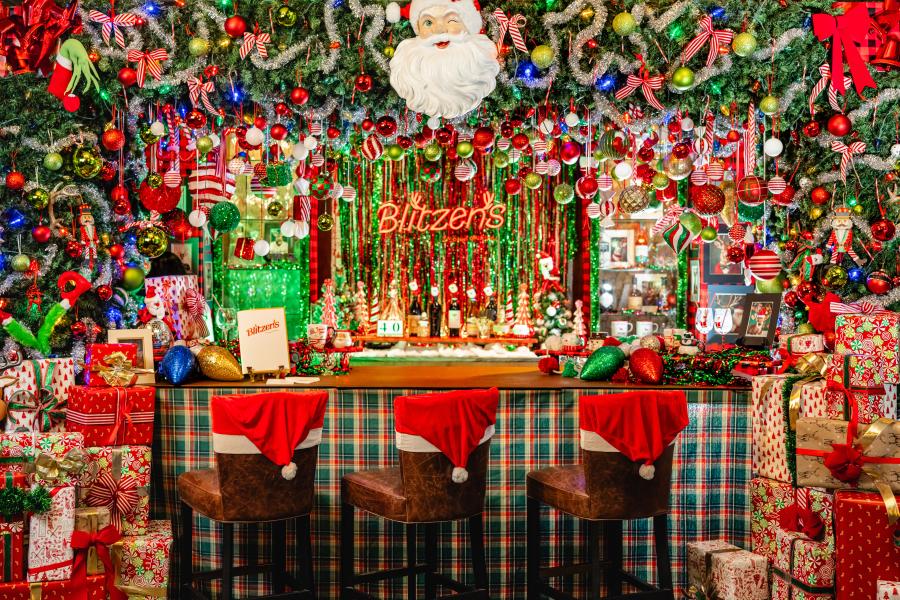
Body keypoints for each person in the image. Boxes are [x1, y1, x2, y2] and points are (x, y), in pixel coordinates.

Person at [386, 0, 500, 119]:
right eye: (428, 22)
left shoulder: (478, 60)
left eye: (451, 20)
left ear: (468, 27)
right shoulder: (410, 68)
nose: (439, 31)